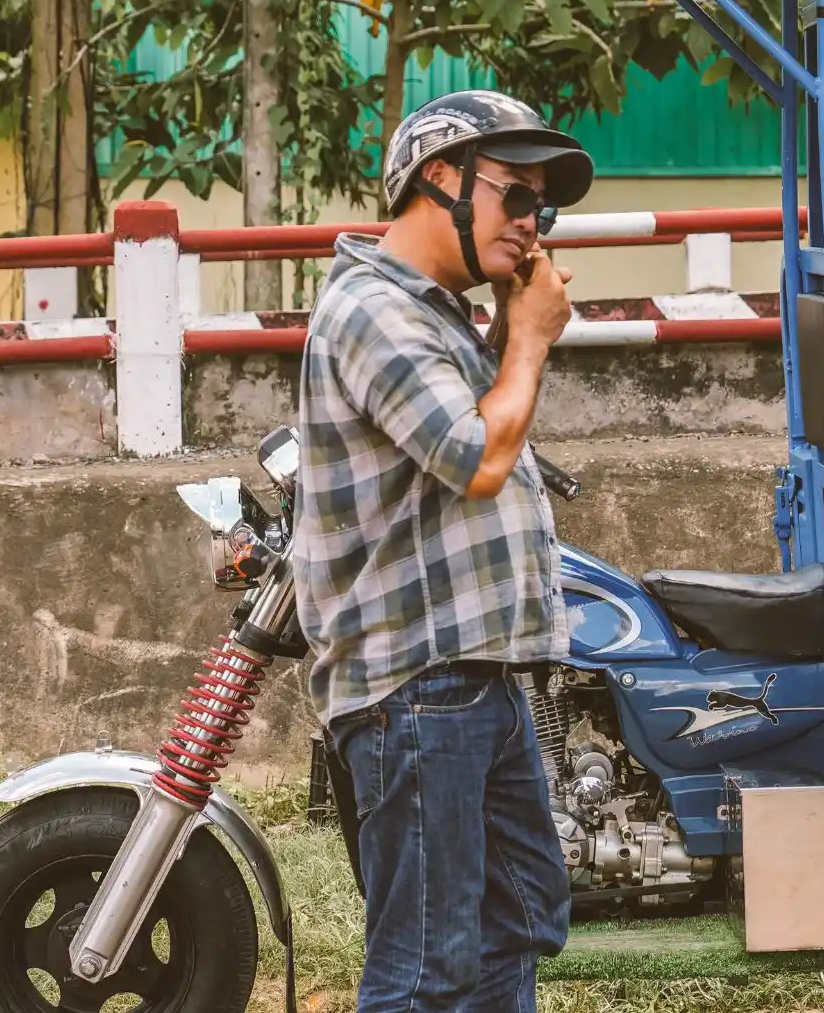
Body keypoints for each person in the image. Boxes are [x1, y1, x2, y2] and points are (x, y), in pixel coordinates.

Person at [289, 89, 595, 1013]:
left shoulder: (437, 315)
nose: (532, 225)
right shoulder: (374, 313)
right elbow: (475, 457)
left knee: (521, 923)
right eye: (517, 196)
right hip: (417, 687)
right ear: (442, 180)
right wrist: (531, 342)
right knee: (427, 966)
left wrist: (505, 327)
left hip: (475, 678)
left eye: (543, 208)